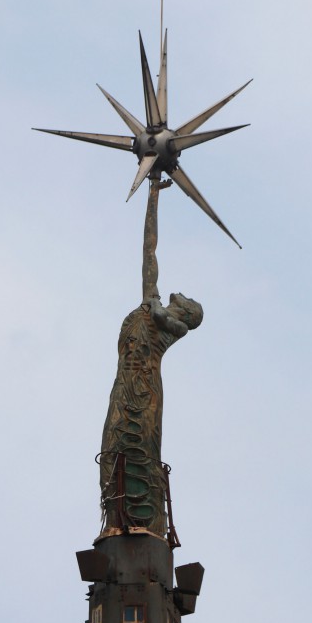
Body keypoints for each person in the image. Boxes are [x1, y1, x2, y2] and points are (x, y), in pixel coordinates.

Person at [99, 179, 203, 537]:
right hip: (123, 384)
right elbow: (149, 250)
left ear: (188, 313)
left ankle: (146, 522)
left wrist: (156, 304)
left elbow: (160, 318)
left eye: (188, 300)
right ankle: (114, 520)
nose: (182, 293)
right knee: (112, 445)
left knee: (140, 447)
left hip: (144, 390)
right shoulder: (154, 300)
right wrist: (154, 193)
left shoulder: (177, 325)